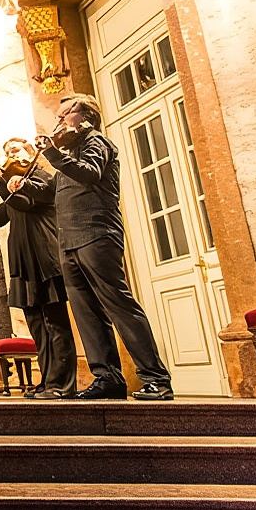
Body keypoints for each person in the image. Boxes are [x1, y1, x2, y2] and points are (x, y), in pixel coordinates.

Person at [35, 93, 172, 401]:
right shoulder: (67, 156)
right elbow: (49, 195)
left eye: (63, 116)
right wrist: (13, 184)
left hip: (97, 234)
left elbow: (90, 173)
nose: (58, 122)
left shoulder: (97, 143)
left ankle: (156, 378)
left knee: (118, 305)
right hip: (69, 241)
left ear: (84, 117)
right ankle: (107, 377)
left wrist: (54, 154)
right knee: (86, 313)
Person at [0, 138, 76, 399]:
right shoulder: (14, 187)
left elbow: (25, 201)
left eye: (15, 150)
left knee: (55, 324)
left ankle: (64, 385)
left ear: (30, 152)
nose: (10, 155)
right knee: (37, 325)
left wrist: (2, 184)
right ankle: (48, 381)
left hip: (45, 260)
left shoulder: (43, 178)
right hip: (23, 263)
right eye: (6, 151)